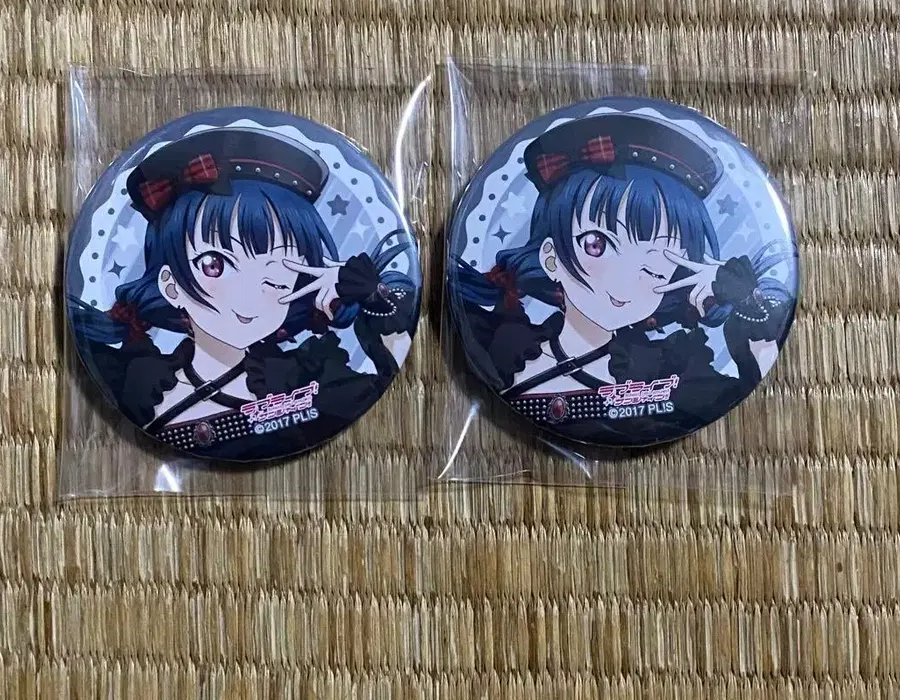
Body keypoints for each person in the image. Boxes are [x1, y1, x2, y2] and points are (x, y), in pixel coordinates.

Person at [68, 127, 419, 460]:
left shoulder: (305, 379)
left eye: (278, 270)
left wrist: (372, 295)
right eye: (214, 265)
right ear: (171, 285)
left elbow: (386, 371)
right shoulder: (138, 380)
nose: (249, 296)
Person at [450, 112, 796, 445]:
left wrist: (747, 301)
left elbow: (748, 379)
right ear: (551, 257)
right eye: (596, 244)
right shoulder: (506, 347)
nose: (624, 280)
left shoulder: (672, 369)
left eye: (657, 260)